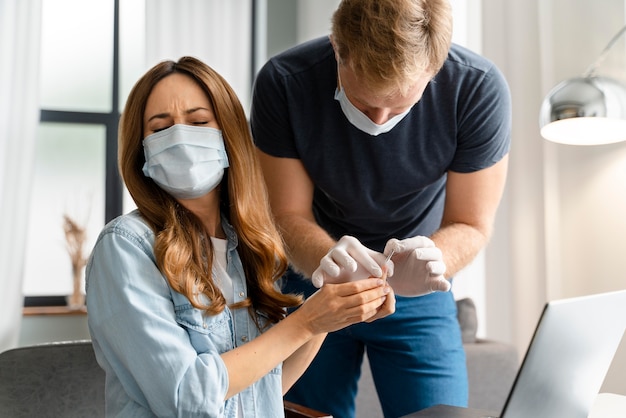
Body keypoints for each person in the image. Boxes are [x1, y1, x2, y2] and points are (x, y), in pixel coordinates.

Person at [85, 56, 395, 417]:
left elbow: (260, 390)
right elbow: (187, 397)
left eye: (199, 121)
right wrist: (305, 321)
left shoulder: (247, 245)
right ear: (141, 150)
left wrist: (329, 313)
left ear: (227, 134)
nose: (182, 138)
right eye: (160, 128)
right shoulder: (125, 247)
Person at [250, 0, 512, 416]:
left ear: (435, 67)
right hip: (316, 280)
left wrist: (433, 260)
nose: (380, 119)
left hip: (417, 290)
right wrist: (327, 260)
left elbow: (471, 222)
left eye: (400, 106)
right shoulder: (285, 82)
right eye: (365, 104)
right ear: (338, 47)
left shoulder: (477, 89)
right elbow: (285, 215)